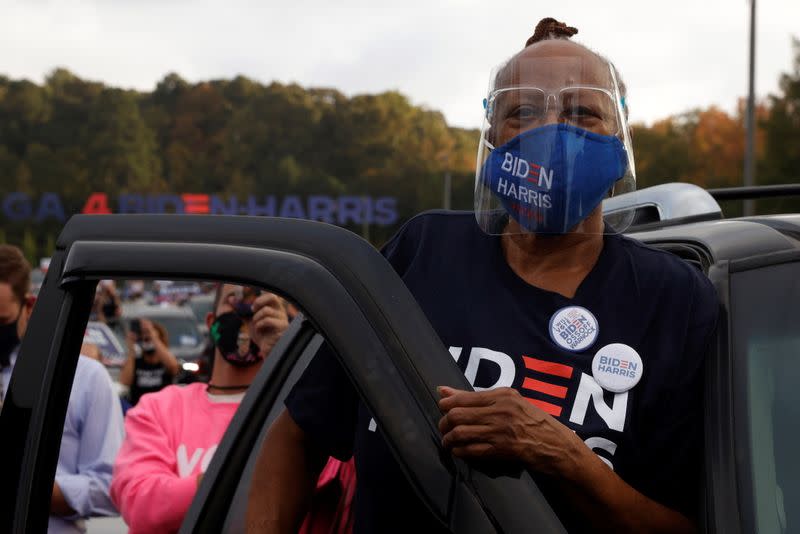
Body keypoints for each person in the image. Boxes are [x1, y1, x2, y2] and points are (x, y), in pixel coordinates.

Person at [247, 18, 718, 533]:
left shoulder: (673, 299)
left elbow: (685, 525)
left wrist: (566, 456)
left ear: (619, 136)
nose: (552, 133)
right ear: (492, 135)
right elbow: (299, 437)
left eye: (583, 111)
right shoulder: (422, 253)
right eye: (523, 112)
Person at [110, 284, 290, 533]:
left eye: (260, 302)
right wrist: (236, 478)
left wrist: (284, 355)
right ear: (210, 320)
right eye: (235, 299)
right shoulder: (160, 407)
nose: (247, 312)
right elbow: (140, 504)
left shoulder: (293, 412)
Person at [0, 244, 125, 533]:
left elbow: (110, 487)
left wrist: (23, 485)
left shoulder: (83, 378)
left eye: (1, 321)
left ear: (28, 307)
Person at [119, 318, 180, 405]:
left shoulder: (165, 362)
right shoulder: (136, 362)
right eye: (143, 334)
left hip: (163, 408)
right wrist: (131, 349)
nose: (146, 337)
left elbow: (173, 367)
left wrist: (153, 336)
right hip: (140, 410)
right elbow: (124, 382)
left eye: (148, 334)